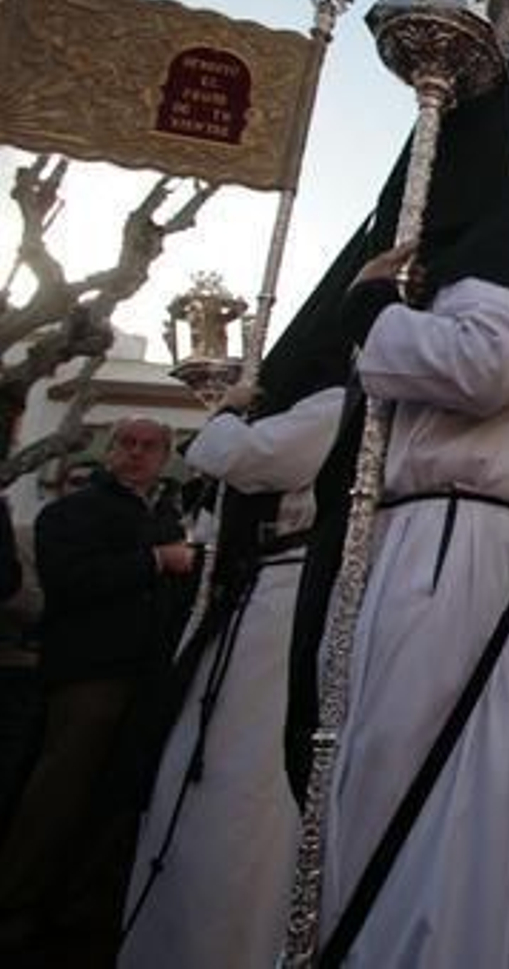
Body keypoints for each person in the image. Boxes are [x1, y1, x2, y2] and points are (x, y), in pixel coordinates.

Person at [284, 0, 509, 959]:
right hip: (416, 552)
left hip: (457, 562)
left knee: (432, 794)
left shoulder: (501, 257)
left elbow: (484, 369)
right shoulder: (463, 268)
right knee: (379, 778)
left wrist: (373, 318)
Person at [118, 376, 344, 969]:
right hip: (256, 594)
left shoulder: (342, 400)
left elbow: (246, 458)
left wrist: (222, 416)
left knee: (249, 787)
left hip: (288, 605)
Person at [0, 418, 193, 953]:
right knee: (56, 797)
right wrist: (155, 561)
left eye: (148, 446)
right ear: (110, 451)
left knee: (110, 802)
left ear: (163, 457)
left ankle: (75, 912)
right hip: (91, 675)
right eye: (126, 444)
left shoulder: (162, 516)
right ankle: (16, 909)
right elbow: (71, 582)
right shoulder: (73, 512)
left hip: (145, 677)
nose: (135, 454)